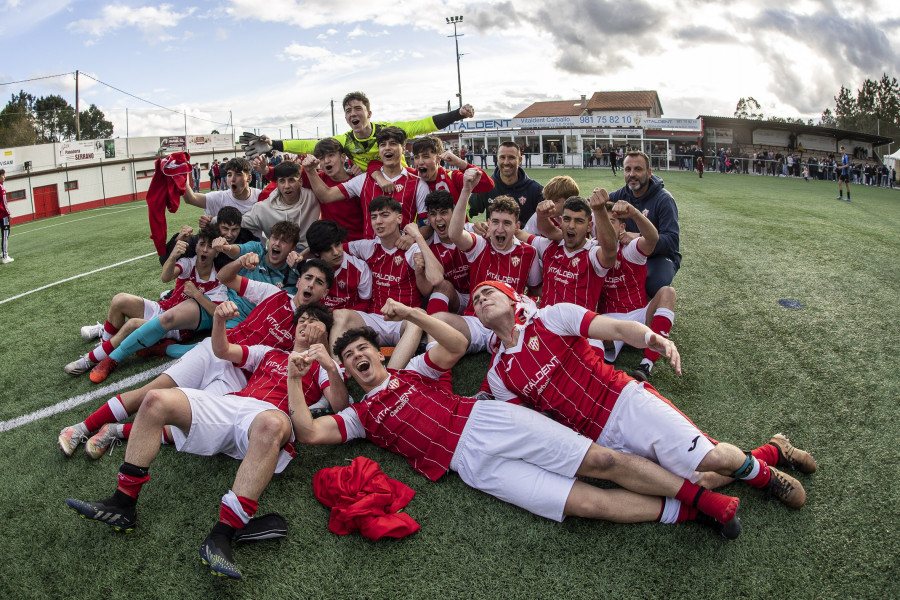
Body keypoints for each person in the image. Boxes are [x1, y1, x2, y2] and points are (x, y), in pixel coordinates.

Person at [287, 300, 743, 537]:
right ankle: (688, 513)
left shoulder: (413, 373)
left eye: (363, 348)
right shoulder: (361, 416)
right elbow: (308, 431)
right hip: (471, 467)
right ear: (346, 370)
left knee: (603, 464)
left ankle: (708, 502)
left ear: (379, 355)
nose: (358, 355)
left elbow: (457, 345)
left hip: (486, 421)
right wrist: (295, 377)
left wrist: (412, 315)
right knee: (586, 504)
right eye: (349, 356)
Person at [65, 301, 348, 581]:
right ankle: (123, 503)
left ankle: (223, 535)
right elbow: (222, 350)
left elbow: (339, 403)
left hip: (269, 421)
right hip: (234, 405)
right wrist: (220, 321)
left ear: (325, 333)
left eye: (314, 321)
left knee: (271, 423)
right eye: (302, 320)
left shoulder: (325, 367)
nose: (305, 324)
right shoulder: (270, 353)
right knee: (154, 401)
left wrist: (329, 364)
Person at [473, 280, 815, 511]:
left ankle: (766, 477)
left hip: (626, 402)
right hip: (601, 442)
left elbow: (618, 328)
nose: (482, 299)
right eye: (475, 300)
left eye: (488, 292)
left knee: (709, 459)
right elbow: (537, 425)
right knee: (700, 481)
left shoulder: (552, 318)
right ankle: (773, 449)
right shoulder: (499, 375)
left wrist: (652, 338)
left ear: (512, 296)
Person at [57, 258, 334, 458]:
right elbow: (227, 277)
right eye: (308, 277)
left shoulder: (316, 330)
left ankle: (115, 431)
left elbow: (326, 367)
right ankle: (81, 427)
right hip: (217, 350)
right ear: (298, 281)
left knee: (192, 424)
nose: (311, 284)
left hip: (240, 378)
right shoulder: (272, 293)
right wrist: (240, 260)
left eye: (319, 282)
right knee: (151, 391)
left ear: (325, 293)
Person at [64, 225, 228, 383]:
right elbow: (165, 278)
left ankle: (90, 359)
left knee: (133, 324)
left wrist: (197, 294)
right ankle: (105, 344)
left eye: (210, 247)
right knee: (119, 300)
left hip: (177, 328)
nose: (205, 249)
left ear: (216, 252)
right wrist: (172, 256)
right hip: (163, 308)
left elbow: (216, 312)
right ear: (197, 247)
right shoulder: (189, 263)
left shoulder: (217, 279)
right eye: (202, 244)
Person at [245, 92, 474, 191]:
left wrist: (458, 114)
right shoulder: (344, 140)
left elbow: (425, 124)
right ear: (346, 117)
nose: (353, 113)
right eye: (348, 111)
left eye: (357, 108)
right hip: (370, 190)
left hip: (404, 184)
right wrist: (274, 143)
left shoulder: (390, 131)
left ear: (369, 113)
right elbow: (309, 145)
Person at [329, 196, 444, 349]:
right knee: (339, 315)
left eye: (384, 215)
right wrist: (303, 255)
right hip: (374, 320)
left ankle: (394, 372)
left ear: (399, 218)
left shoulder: (412, 250)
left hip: (404, 319)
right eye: (374, 217)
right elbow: (330, 249)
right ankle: (337, 369)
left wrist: (417, 236)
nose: (378, 221)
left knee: (418, 316)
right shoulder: (367, 247)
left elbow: (436, 279)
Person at [303, 127, 428, 240]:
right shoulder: (363, 180)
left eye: (393, 144)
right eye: (383, 144)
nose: (387, 148)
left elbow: (427, 225)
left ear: (404, 150)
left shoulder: (418, 183)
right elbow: (326, 196)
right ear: (379, 150)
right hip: (369, 257)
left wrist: (413, 238)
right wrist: (310, 170)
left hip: (404, 254)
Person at [609, 151, 681, 298]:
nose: (632, 174)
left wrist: (640, 238)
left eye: (638, 169)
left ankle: (651, 314)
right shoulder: (621, 195)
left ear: (649, 173)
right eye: (628, 169)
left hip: (659, 256)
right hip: (631, 254)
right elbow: (591, 204)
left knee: (652, 283)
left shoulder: (664, 199)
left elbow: (672, 241)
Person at [240, 160, 319, 247]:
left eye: (291, 180)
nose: (287, 186)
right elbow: (239, 223)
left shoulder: (314, 197)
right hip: (279, 254)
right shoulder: (263, 208)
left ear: (300, 182)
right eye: (282, 181)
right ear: (277, 183)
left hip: (309, 253)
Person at [468, 141, 544, 228]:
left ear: (520, 160)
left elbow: (552, 220)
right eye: (502, 157)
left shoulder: (535, 189)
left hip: (524, 240)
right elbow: (467, 211)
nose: (506, 162)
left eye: (511, 157)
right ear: (497, 159)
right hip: (494, 240)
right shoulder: (486, 186)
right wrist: (472, 227)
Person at [305, 219, 373, 312]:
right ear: (317, 253)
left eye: (337, 244)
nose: (336, 252)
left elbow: (365, 304)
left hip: (348, 320)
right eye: (328, 249)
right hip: (316, 317)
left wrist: (338, 315)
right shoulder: (309, 268)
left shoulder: (360, 268)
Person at [183, 157, 261, 218]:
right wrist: (180, 174)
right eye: (229, 175)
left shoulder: (260, 196)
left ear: (249, 178)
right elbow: (191, 198)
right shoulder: (220, 198)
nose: (233, 179)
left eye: (238, 174)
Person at [0, 169, 11, 264]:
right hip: (3, 215)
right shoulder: (1, 187)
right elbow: (4, 202)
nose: (4, 176)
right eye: (3, 175)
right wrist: (9, 213)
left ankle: (2, 252)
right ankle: (5, 256)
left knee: (6, 234)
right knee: (5, 234)